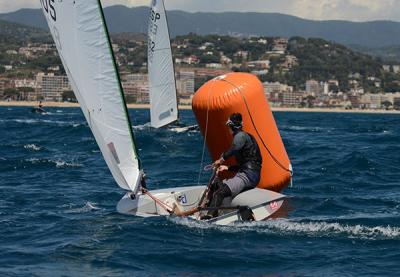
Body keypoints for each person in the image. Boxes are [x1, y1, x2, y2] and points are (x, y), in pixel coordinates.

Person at [203, 112, 262, 219]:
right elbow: (245, 164)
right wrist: (228, 168)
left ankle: (209, 217)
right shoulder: (246, 137)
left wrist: (221, 160)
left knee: (219, 193)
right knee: (216, 185)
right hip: (249, 174)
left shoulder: (240, 136)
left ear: (230, 126)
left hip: (247, 176)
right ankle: (210, 210)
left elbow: (235, 149)